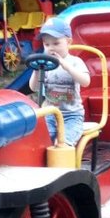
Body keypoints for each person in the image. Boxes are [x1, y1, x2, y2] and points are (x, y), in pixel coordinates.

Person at [29, 16, 90, 146]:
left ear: (68, 42)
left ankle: (63, 163)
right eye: (47, 44)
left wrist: (66, 66)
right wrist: (36, 70)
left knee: (62, 144)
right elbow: (33, 88)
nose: (51, 48)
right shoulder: (44, 64)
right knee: (40, 141)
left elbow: (86, 82)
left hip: (72, 116)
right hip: (50, 114)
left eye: (56, 43)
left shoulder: (75, 62)